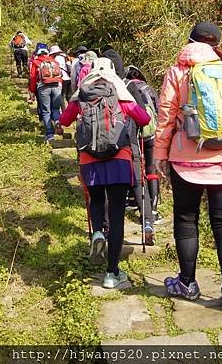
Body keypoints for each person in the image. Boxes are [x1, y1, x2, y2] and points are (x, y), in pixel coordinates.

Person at [154, 22, 222, 311]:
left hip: (186, 160)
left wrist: (160, 154)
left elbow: (165, 117)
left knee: (187, 220)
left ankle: (187, 283)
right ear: (216, 45)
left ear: (190, 42)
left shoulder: (177, 73)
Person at [59, 58, 150, 289]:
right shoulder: (119, 92)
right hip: (119, 160)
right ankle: (112, 273)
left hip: (90, 161)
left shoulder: (83, 93)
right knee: (117, 214)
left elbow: (64, 119)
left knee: (97, 201)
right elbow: (144, 119)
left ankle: (98, 231)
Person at [103, 49, 155, 245]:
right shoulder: (128, 86)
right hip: (129, 143)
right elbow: (143, 116)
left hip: (102, 146)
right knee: (138, 184)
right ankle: (147, 223)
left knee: (109, 188)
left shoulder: (96, 85)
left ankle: (108, 228)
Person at [124, 65, 162, 224]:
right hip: (152, 132)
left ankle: (137, 202)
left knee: (138, 169)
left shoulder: (126, 87)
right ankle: (153, 208)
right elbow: (160, 109)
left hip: (136, 133)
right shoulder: (149, 88)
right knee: (151, 168)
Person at [29, 46, 63, 143]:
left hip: (43, 87)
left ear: (38, 54)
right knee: (56, 108)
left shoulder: (35, 62)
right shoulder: (54, 61)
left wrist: (32, 89)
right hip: (56, 86)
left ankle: (49, 134)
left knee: (46, 111)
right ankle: (57, 121)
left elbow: (32, 77)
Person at [49, 45, 72, 110]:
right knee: (69, 96)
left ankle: (64, 111)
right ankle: (72, 112)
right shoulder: (65, 56)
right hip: (69, 77)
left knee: (61, 96)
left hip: (62, 78)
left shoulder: (56, 58)